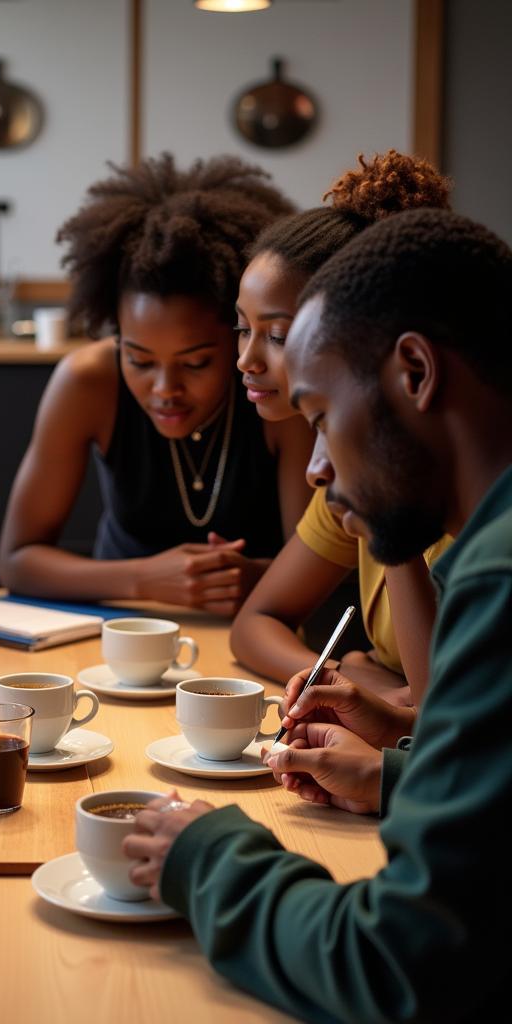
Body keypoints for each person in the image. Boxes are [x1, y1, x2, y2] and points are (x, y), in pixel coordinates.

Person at [125, 208, 512, 1021]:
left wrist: (212, 859)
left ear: (414, 372)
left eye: (324, 416)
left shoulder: (497, 572)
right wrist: (393, 780)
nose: (319, 465)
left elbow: (399, 964)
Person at [0, 155, 311, 616]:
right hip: (116, 623)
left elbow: (322, 563)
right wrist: (145, 579)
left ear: (238, 337)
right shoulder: (88, 381)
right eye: (139, 359)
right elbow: (17, 561)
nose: (165, 389)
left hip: (249, 623)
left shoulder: (275, 396)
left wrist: (254, 578)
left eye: (196, 362)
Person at [230, 151, 453, 705]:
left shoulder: (467, 498)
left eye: (277, 336)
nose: (246, 359)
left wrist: (379, 687)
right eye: (241, 328)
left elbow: (442, 711)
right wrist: (346, 678)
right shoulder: (347, 461)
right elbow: (255, 621)